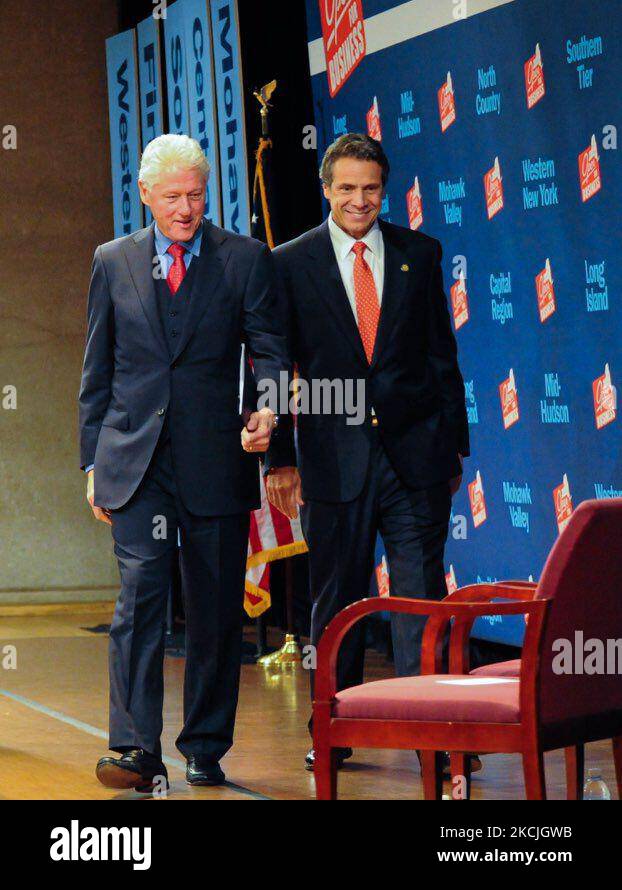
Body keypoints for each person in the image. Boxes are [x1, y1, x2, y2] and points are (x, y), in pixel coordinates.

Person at [79, 134, 286, 791]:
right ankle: (136, 748)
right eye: (171, 197)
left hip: (215, 465)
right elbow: (98, 368)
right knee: (139, 603)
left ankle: (204, 745)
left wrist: (269, 413)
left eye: (195, 196)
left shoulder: (245, 259)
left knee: (217, 611)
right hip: (135, 465)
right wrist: (92, 461)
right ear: (144, 196)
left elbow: (273, 353)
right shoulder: (112, 262)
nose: (185, 208)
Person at [264, 133, 469, 771]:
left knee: (419, 599)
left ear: (386, 189)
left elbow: (442, 356)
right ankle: (333, 727)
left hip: (415, 460)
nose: (359, 200)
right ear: (327, 188)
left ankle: (430, 731)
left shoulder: (420, 252)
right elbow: (275, 362)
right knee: (341, 600)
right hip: (331, 458)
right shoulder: (290, 261)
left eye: (371, 188)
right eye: (346, 188)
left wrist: (454, 447)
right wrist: (278, 459)